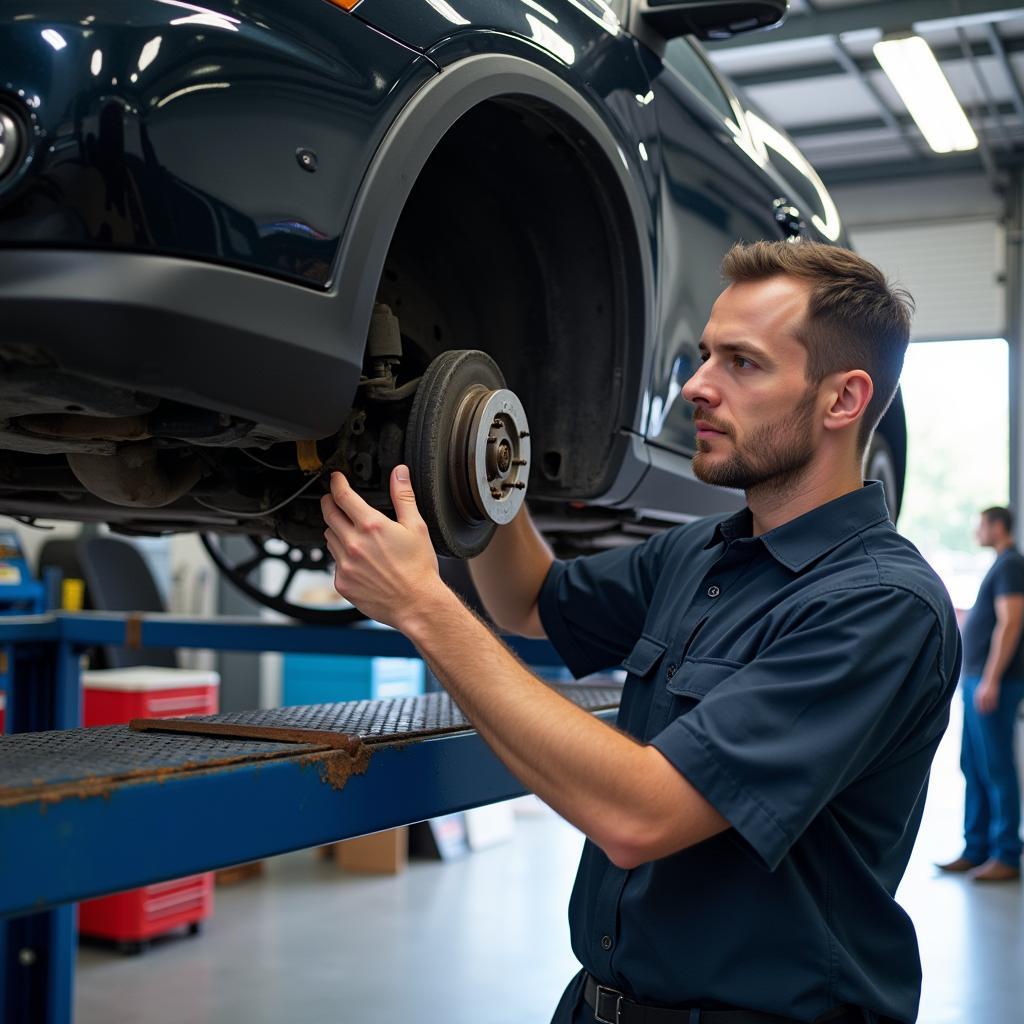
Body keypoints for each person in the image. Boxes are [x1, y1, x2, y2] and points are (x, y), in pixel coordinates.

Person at [321, 241, 961, 1024]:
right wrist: (485, 457)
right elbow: (532, 602)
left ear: (841, 400)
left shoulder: (879, 607)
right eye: (703, 356)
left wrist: (423, 606)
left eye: (742, 363)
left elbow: (640, 816)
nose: (696, 385)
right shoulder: (703, 551)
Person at [937, 506, 1024, 882]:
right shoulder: (1000, 566)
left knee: (996, 767)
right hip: (978, 681)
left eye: (981, 524)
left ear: (998, 526)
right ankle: (976, 849)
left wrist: (990, 679)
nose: (977, 531)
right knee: (973, 764)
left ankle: (1005, 855)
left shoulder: (1010, 566)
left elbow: (1011, 622)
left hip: (995, 685)